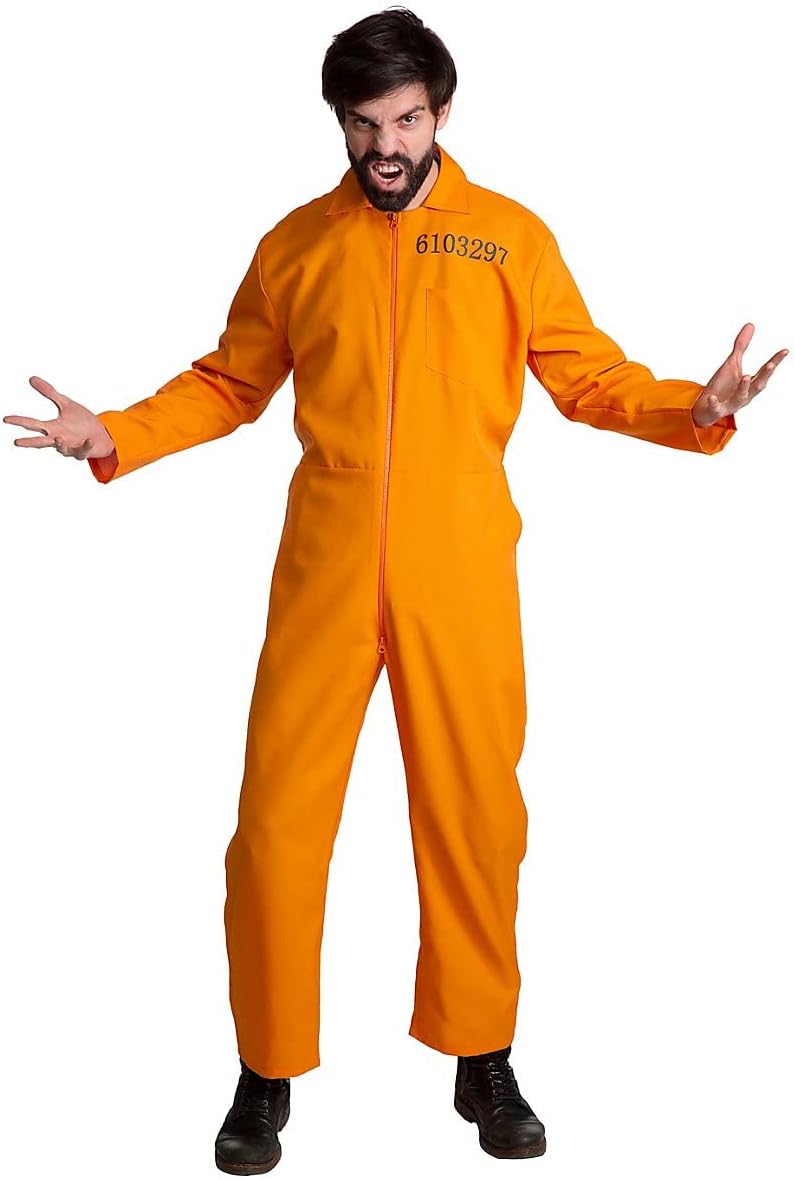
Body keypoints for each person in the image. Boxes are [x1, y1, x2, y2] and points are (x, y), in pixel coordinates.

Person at [4, 7, 788, 1174]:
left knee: (475, 819)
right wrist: (116, 430)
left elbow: (588, 376)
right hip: (324, 565)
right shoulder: (296, 244)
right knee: (275, 827)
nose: (387, 144)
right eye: (366, 123)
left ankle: (483, 1053)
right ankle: (265, 1066)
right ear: (340, 122)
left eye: (407, 120)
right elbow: (230, 382)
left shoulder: (510, 238)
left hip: (459, 565)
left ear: (442, 114)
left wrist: (697, 407)